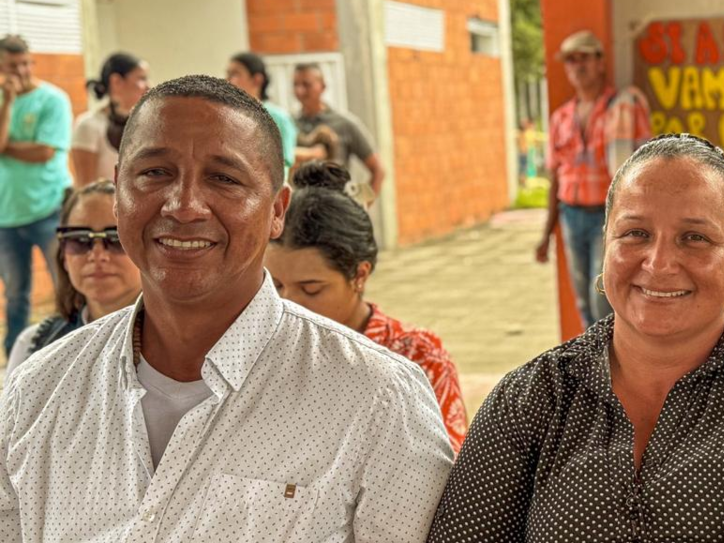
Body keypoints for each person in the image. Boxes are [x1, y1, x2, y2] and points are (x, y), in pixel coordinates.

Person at [0, 75, 452, 540]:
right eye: (155, 173)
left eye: (224, 178)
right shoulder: (38, 392)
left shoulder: (376, 399)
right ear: (118, 192)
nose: (184, 205)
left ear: (278, 210)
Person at [430, 134, 724, 542]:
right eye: (635, 234)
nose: (659, 263)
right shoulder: (532, 397)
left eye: (695, 238)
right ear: (606, 243)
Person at [266, 160, 468, 452]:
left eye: (311, 289)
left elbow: (445, 474)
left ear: (359, 275)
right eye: (275, 286)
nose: (288, 303)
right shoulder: (261, 347)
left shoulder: (417, 357)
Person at [535, 30, 651, 330]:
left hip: (608, 215)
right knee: (584, 302)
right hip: (571, 215)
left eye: (583, 57)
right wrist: (547, 233)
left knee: (603, 296)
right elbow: (555, 176)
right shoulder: (561, 117)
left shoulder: (622, 107)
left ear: (601, 62)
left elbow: (644, 168)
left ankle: (620, 361)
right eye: (570, 60)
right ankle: (596, 365)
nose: (577, 66)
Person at [6, 179, 140, 374]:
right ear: (64, 257)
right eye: (79, 240)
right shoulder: (34, 347)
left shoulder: (182, 348)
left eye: (116, 238)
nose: (97, 255)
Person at [0, 34, 72, 356]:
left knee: (66, 285)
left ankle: (71, 347)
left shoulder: (53, 99)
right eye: (12, 67)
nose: (22, 72)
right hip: (6, 213)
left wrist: (5, 148)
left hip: (48, 208)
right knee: (16, 293)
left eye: (25, 64)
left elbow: (44, 151)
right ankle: (17, 358)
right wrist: (9, 104)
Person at [292, 63, 385, 199]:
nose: (300, 91)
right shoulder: (290, 124)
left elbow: (378, 170)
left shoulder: (345, 123)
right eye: (295, 85)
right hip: (301, 212)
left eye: (306, 85)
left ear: (323, 86)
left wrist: (360, 207)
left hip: (335, 210)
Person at [72, 52, 149, 186]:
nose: (148, 86)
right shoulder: (88, 125)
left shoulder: (147, 124)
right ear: (116, 81)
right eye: (141, 79)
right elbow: (85, 188)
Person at [226, 51, 297, 179]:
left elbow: (285, 162)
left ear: (256, 79)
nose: (228, 80)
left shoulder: (278, 117)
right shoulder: (226, 116)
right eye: (228, 74)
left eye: (235, 74)